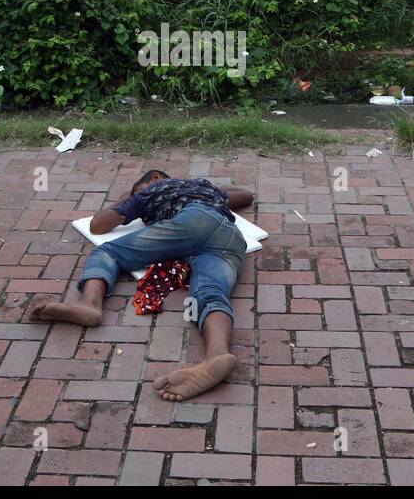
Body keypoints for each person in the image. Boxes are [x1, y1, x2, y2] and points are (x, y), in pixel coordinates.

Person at [28, 169, 256, 401]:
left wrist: (129, 198)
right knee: (210, 292)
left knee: (108, 252)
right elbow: (246, 195)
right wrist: (213, 188)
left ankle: (90, 305)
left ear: (154, 178)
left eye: (137, 188)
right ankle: (217, 354)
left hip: (192, 222)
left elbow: (98, 225)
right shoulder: (205, 188)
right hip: (232, 238)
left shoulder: (151, 191)